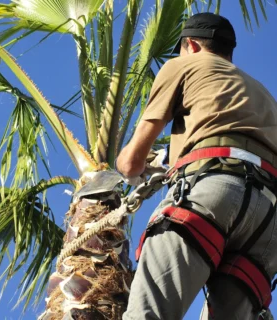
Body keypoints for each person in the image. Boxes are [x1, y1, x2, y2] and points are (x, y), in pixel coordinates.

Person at [116, 13, 277, 320]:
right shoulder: (264, 95)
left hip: (213, 192)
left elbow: (130, 162)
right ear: (229, 52)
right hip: (270, 223)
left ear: (189, 44)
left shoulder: (185, 64)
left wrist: (129, 169)